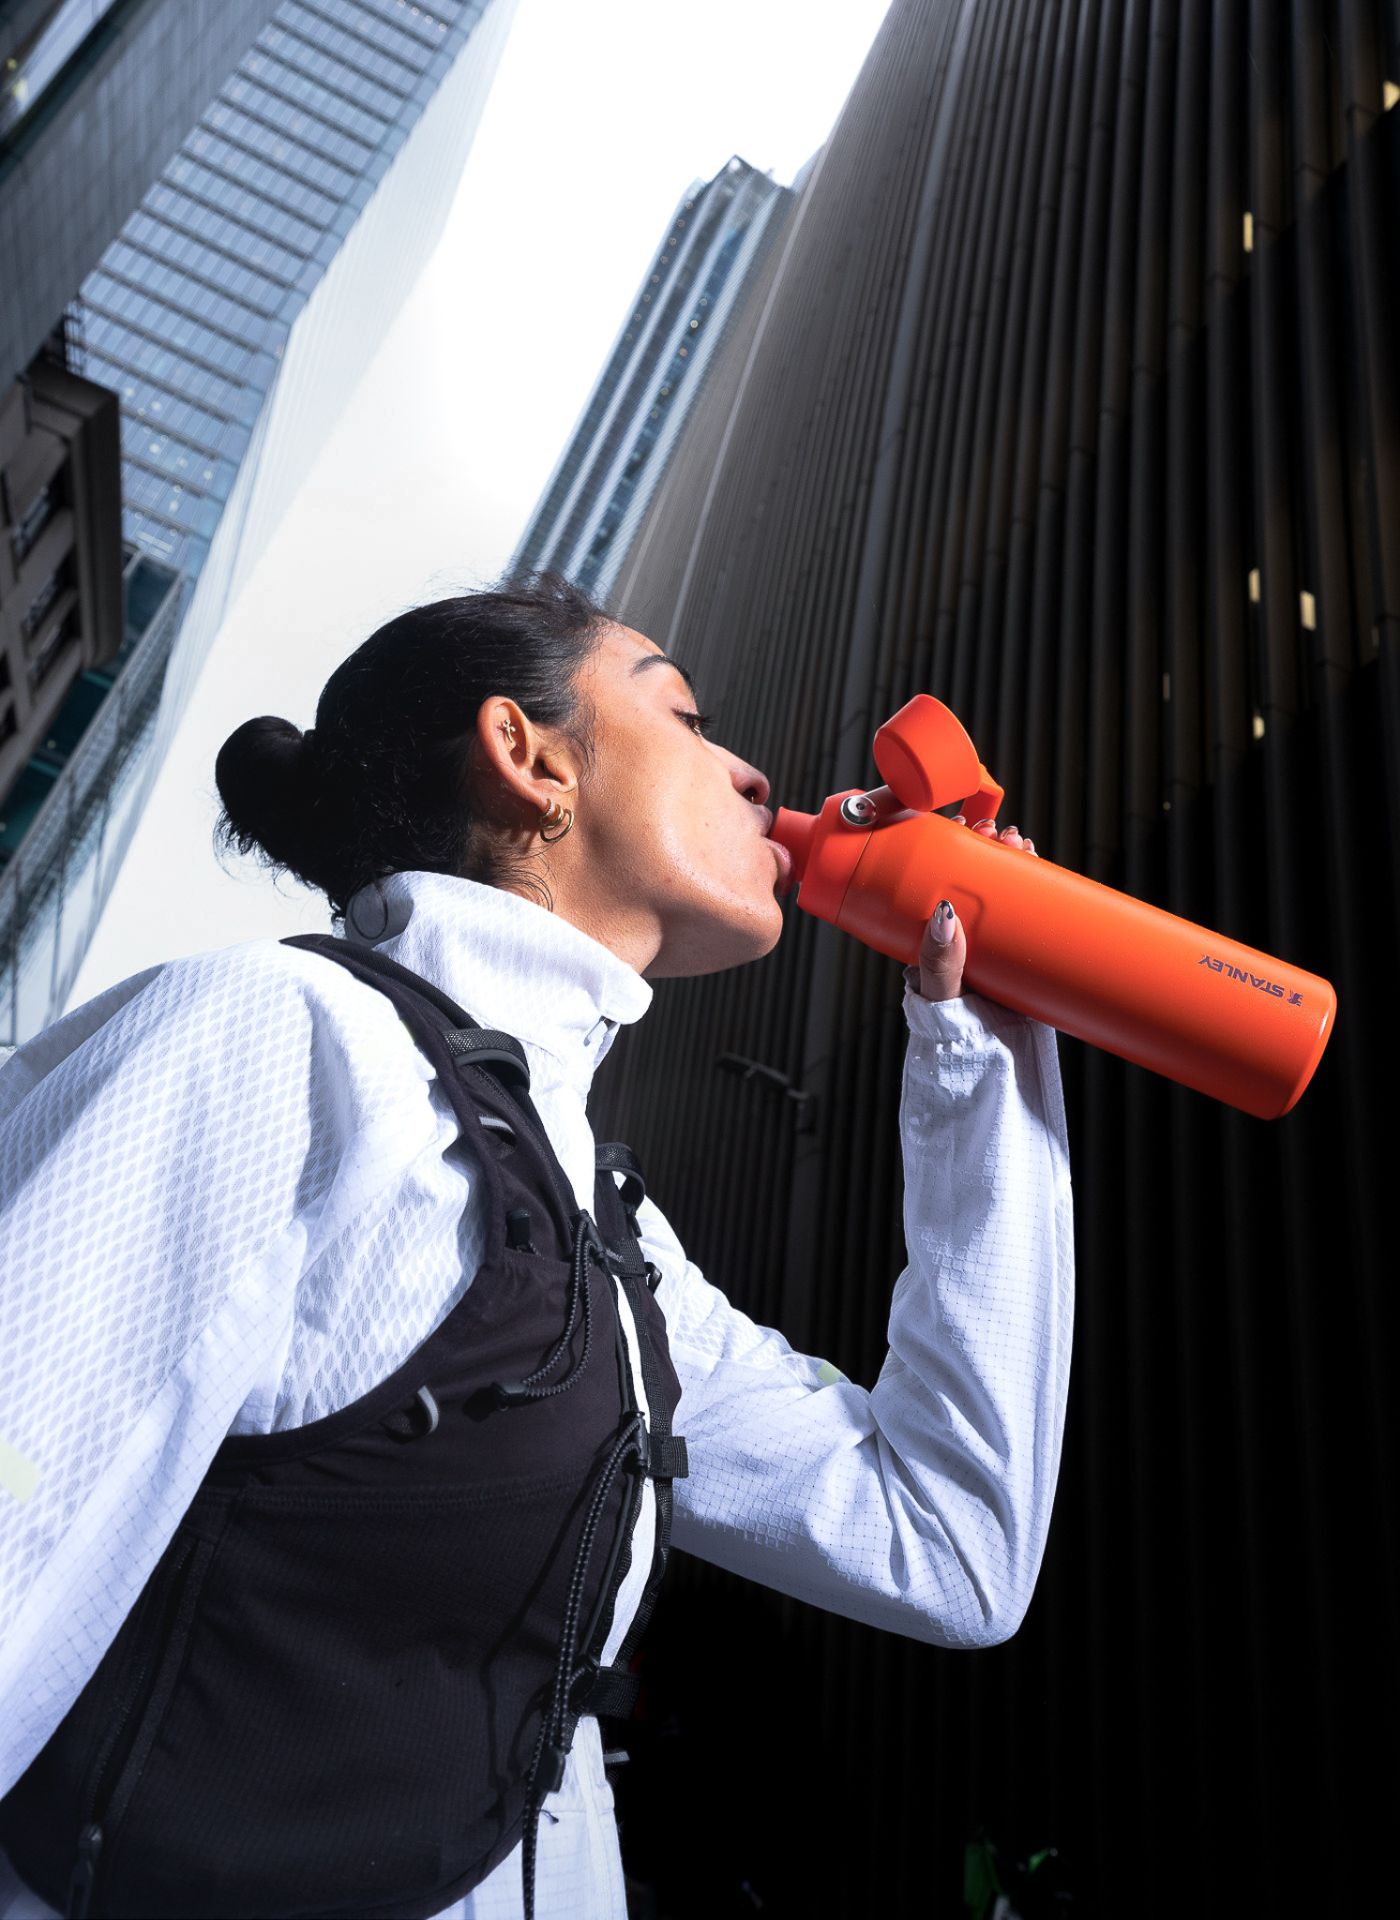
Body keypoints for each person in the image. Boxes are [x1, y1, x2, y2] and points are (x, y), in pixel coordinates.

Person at [0, 571, 1074, 1919]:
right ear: (528, 754)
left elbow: (949, 1543)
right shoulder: (282, 1039)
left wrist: (985, 1056)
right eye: (683, 713)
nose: (753, 776)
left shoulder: (611, 1245)